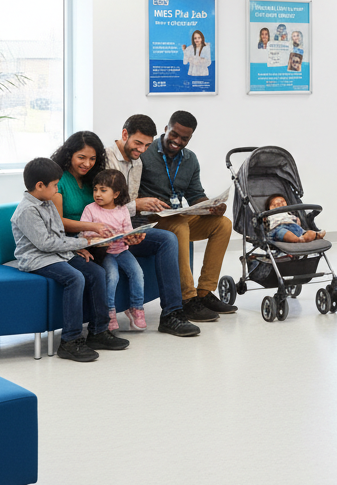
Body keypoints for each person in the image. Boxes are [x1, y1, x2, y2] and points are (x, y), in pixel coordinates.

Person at [12, 157, 129, 362]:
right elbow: (46, 244)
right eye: (55, 185)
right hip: (38, 259)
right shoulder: (27, 210)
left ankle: (98, 332)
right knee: (75, 278)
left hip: (56, 253)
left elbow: (57, 235)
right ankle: (70, 340)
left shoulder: (46, 202)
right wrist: (80, 244)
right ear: (40, 186)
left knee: (96, 272)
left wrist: (76, 248)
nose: (58, 189)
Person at [104, 114, 200, 338]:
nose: (142, 150)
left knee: (167, 239)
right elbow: (105, 205)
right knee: (170, 235)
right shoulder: (106, 158)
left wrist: (136, 222)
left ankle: (172, 315)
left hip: (128, 229)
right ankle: (178, 307)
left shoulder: (137, 161)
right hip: (108, 233)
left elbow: (129, 207)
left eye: (147, 145)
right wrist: (136, 205)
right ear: (124, 134)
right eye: (138, 143)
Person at [138, 110, 234, 324]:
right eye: (174, 134)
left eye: (184, 138)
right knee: (180, 225)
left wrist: (211, 206)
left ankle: (205, 292)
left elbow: (195, 196)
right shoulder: (144, 153)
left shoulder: (190, 159)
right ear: (166, 129)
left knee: (223, 224)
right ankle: (187, 299)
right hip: (150, 219)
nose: (177, 141)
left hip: (176, 215)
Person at [80, 169, 146, 332]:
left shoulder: (122, 209)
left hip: (122, 251)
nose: (98, 194)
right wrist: (97, 235)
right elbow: (84, 233)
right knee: (112, 276)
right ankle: (110, 312)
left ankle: (136, 307)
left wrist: (132, 238)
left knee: (137, 272)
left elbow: (128, 231)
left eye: (103, 190)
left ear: (116, 194)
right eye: (96, 189)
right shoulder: (90, 209)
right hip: (105, 254)